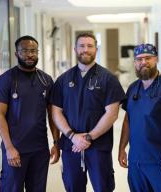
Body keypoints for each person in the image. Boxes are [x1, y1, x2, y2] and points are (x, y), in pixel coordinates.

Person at [51, 32, 125, 192]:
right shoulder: (63, 80)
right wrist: (72, 136)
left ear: (96, 49)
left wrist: (89, 137)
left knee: (103, 187)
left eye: (90, 46)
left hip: (99, 146)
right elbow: (56, 112)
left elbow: (112, 113)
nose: (86, 49)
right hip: (71, 146)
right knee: (73, 187)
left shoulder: (108, 79)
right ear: (75, 49)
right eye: (82, 46)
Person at [0, 35, 60, 192]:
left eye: (33, 51)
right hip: (15, 148)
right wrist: (9, 147)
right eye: (25, 51)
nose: (30, 55)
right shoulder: (6, 80)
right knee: (11, 188)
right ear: (16, 54)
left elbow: (53, 115)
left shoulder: (46, 80)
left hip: (40, 149)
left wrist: (56, 142)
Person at [118, 43, 161, 192]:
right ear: (135, 62)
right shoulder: (132, 88)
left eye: (148, 58)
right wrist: (122, 147)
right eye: (139, 59)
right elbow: (128, 119)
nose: (143, 62)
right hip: (136, 160)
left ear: (156, 59)